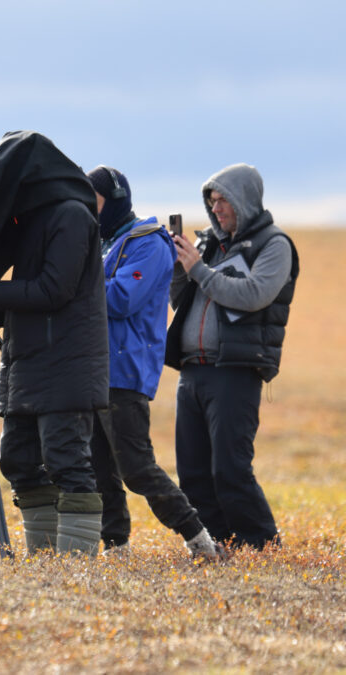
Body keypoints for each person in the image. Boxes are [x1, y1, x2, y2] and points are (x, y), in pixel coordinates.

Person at [0, 134, 109, 557]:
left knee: (66, 460)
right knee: (17, 458)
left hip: (66, 362)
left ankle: (74, 569)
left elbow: (54, 290)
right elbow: (30, 288)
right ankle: (45, 559)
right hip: (27, 358)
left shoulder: (71, 215)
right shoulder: (33, 218)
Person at [86, 166, 227, 562]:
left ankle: (200, 540)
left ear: (114, 201)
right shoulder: (103, 243)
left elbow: (121, 299)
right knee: (99, 467)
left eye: (94, 201)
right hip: (93, 369)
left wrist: (75, 282)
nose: (88, 209)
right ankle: (116, 547)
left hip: (125, 371)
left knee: (136, 467)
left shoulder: (148, 243)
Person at [166, 163, 299, 550]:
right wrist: (180, 268)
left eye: (224, 200)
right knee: (192, 471)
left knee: (230, 468)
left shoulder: (274, 245)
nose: (217, 208)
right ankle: (217, 544)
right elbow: (180, 301)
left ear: (246, 200)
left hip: (235, 370)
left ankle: (260, 545)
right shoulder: (208, 243)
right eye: (212, 200)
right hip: (192, 371)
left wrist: (199, 270)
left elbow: (254, 294)